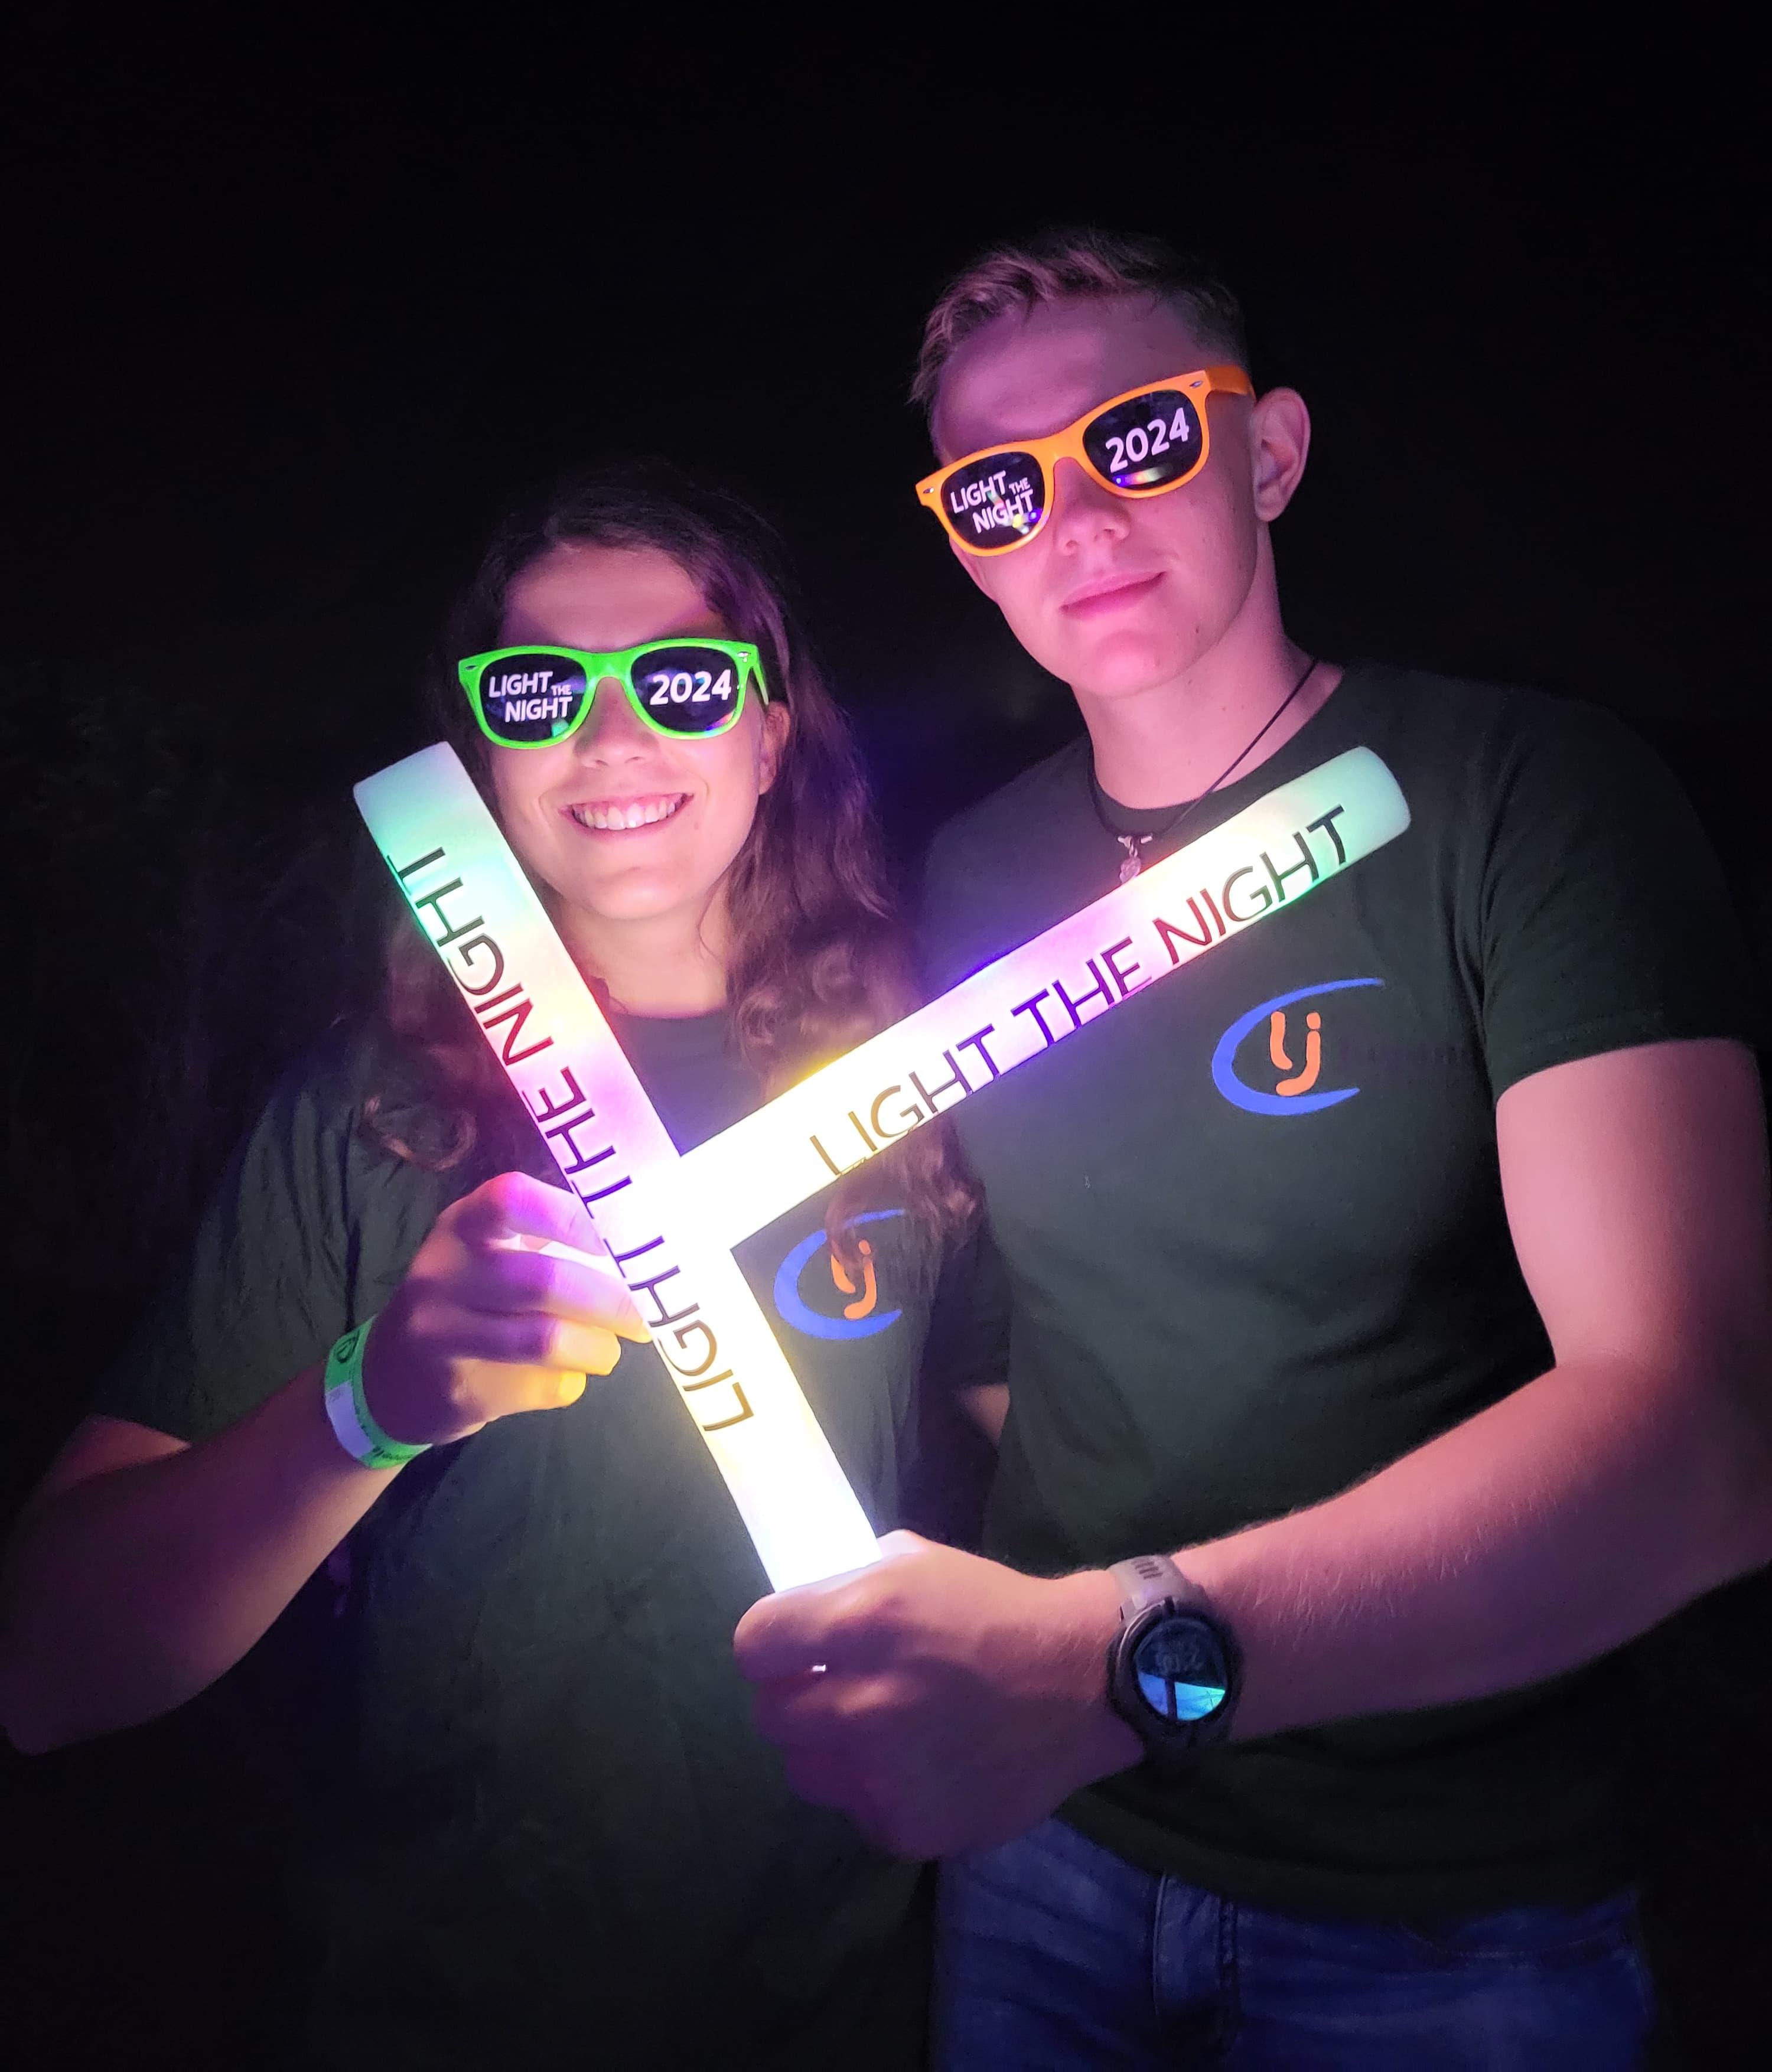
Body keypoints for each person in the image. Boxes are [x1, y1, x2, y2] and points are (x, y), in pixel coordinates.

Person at [733, 232, 1772, 2067]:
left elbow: (1700, 1440)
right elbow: (1008, 1310)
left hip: (1447, 1904)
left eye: (1137, 437)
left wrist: (1111, 1663)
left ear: (1269, 451)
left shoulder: (1520, 797)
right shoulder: (973, 876)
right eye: (1000, 489)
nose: (1075, 516)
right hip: (1052, 1859)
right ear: (967, 547)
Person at [0, 471, 990, 2071]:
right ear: (478, 751)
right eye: (539, 692)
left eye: (682, 678)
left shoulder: (924, 1081)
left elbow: (1066, 1463)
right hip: (439, 2001)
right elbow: (47, 1667)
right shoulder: (373, 1116)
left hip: (839, 2001)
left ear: (770, 729)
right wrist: (369, 1402)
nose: (611, 737)